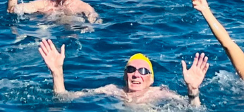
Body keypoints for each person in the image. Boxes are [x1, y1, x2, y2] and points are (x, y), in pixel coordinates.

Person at [37, 39, 207, 106]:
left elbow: (195, 111)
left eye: (143, 71)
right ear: (125, 75)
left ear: (151, 79)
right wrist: (57, 73)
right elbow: (64, 98)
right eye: (131, 70)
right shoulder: (112, 91)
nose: (136, 74)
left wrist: (193, 91)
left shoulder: (160, 93)